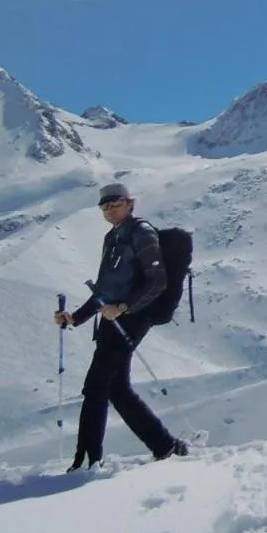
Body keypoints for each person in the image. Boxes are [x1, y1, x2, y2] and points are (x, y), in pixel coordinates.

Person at [53, 183, 188, 471]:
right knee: (116, 388)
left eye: (115, 204)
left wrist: (124, 307)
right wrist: (74, 317)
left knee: (96, 387)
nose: (110, 210)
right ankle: (166, 446)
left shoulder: (142, 233)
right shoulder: (113, 237)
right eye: (105, 206)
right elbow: (105, 290)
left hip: (133, 317)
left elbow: (157, 281)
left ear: (130, 204)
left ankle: (87, 461)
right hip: (113, 319)